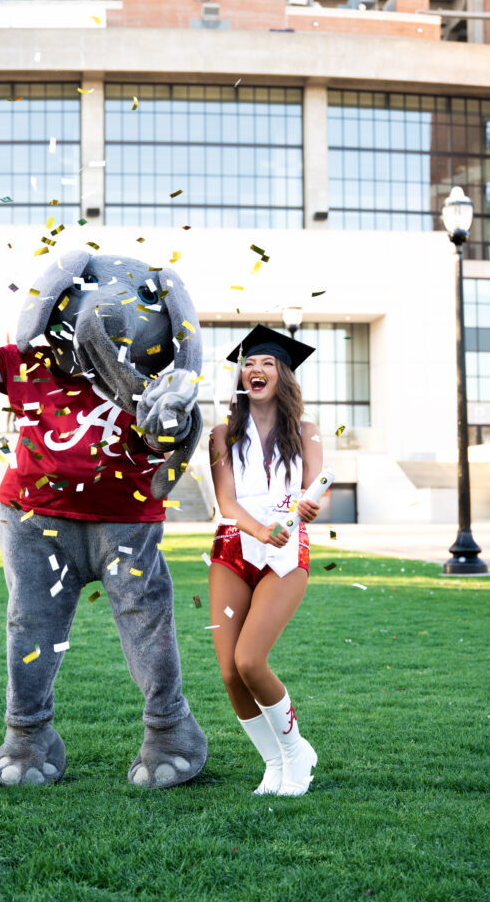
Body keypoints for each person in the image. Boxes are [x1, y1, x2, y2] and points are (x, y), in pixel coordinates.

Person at [208, 324, 323, 797]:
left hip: (286, 553)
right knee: (230, 672)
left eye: (267, 363)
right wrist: (258, 530)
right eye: (249, 364)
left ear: (284, 376)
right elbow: (226, 501)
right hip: (233, 547)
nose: (256, 370)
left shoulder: (306, 431)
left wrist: (312, 506)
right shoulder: (221, 433)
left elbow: (317, 489)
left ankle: (298, 753)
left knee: (251, 660)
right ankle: (274, 763)